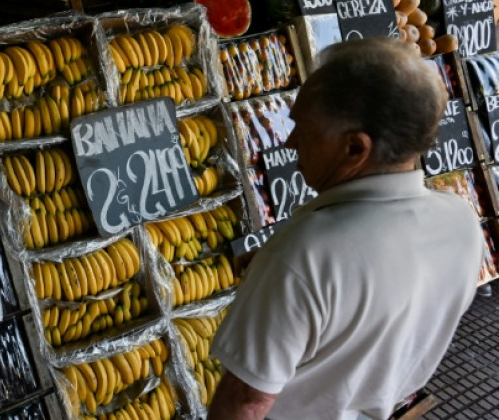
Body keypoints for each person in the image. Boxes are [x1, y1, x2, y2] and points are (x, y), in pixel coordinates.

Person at [208, 38, 485, 420]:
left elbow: (246, 401)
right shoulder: (462, 221)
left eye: (302, 128)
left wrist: (285, 273)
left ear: (355, 149)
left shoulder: (304, 255)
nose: (290, 141)